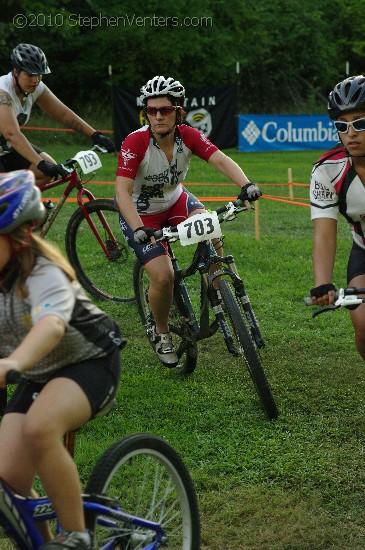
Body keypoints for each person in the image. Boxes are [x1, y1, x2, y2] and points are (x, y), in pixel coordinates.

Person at [0, 170, 124, 549]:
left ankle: (76, 534)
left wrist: (10, 363)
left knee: (40, 428)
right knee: (9, 480)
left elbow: (51, 325)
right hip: (37, 372)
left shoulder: (44, 272)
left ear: (17, 236)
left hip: (90, 362)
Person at [115, 75, 261, 367]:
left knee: (212, 231)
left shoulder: (188, 136)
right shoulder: (136, 141)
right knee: (163, 276)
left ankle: (222, 290)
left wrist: (246, 185)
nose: (158, 116)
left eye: (165, 110)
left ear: (178, 111)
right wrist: (139, 228)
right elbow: (121, 191)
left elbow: (219, 159)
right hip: (141, 214)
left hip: (176, 201)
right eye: (151, 110)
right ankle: (160, 331)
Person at [0, 43, 115, 187]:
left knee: (45, 172)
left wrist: (95, 134)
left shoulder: (35, 87)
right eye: (30, 74)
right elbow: (12, 134)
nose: (35, 80)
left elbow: (63, 114)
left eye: (39, 74)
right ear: (16, 72)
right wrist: (40, 163)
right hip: (9, 143)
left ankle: (18, 204)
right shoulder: (3, 92)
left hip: (5, 148)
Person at [310, 74, 365, 360]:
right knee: (364, 325)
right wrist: (323, 282)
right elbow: (324, 232)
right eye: (342, 126)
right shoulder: (327, 171)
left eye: (360, 122)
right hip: (363, 250)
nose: (351, 133)